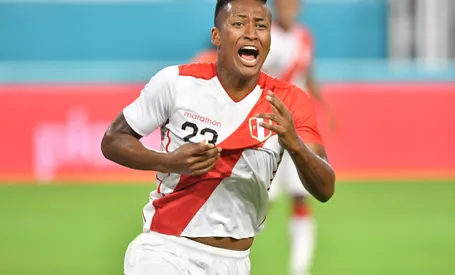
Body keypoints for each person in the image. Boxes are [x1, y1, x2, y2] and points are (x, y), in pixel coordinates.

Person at [101, 0, 335, 274]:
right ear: (216, 36)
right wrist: (168, 162)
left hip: (234, 263)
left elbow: (325, 188)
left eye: (261, 26)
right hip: (166, 250)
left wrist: (294, 145)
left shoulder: (290, 101)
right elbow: (113, 139)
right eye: (238, 23)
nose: (251, 33)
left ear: (269, 39)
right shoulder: (176, 82)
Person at [260, 1, 334, 275]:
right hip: (266, 125)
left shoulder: (304, 37)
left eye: (293, 4)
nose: (289, 8)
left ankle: (299, 269)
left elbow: (308, 75)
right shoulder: (264, 35)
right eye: (284, 4)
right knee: (259, 196)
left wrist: (327, 107)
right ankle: (230, 256)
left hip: (298, 126)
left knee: (300, 195)